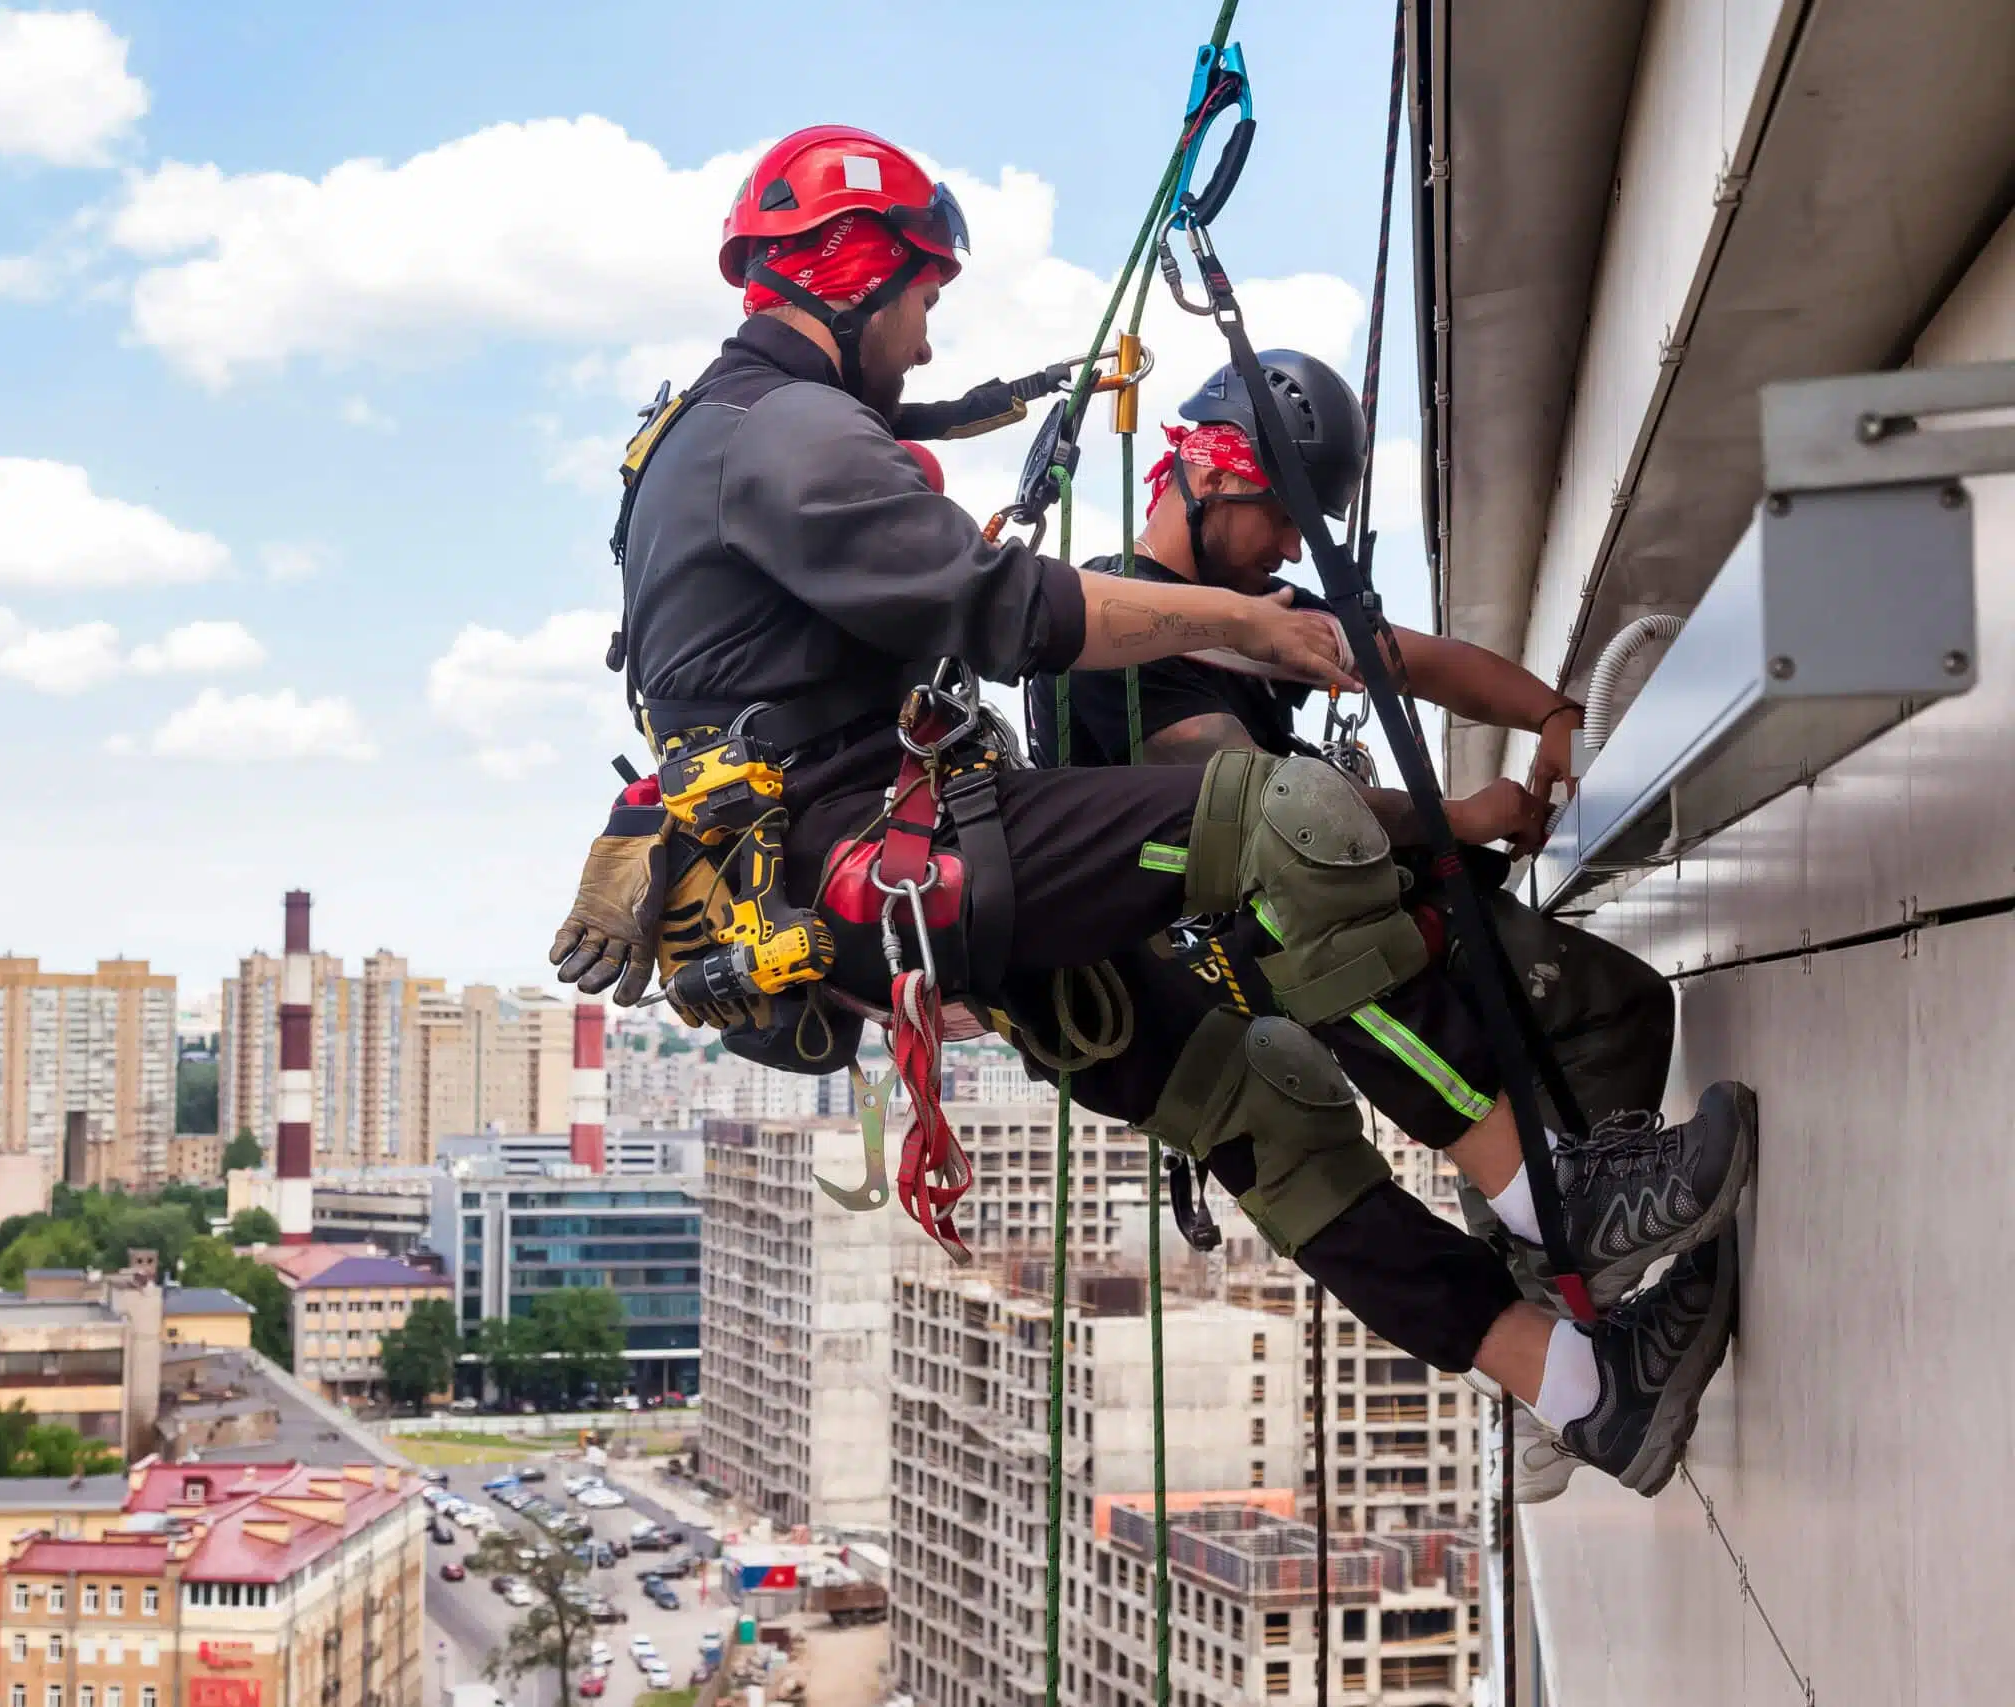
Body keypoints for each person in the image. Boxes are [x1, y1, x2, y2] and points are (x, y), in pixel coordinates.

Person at [557, 123, 1744, 1496]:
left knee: (1269, 1107)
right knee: (1280, 818)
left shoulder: (709, 445)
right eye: (925, 300)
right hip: (884, 859)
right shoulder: (787, 433)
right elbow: (1004, 612)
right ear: (853, 267)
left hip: (877, 888)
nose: (928, 347)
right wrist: (1250, 622)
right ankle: (1560, 1192)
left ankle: (1595, 1391)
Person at [1024, 352, 1713, 1310]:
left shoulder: (1250, 614)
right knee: (1616, 1005)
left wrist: (1552, 712)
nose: (1295, 553)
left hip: (1301, 927)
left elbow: (1419, 663)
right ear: (1215, 476)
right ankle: (1572, 1253)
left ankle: (1553, 1273)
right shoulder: (1122, 641)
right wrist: (1457, 819)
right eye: (1284, 518)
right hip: (1250, 953)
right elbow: (1255, 801)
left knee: (1551, 1045)